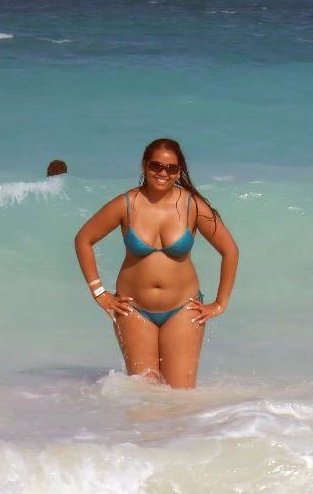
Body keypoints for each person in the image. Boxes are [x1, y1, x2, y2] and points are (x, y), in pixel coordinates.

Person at [74, 139, 239, 388]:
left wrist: (220, 303)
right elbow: (84, 239)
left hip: (183, 308)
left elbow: (230, 251)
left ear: (179, 171)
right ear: (144, 165)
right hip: (133, 310)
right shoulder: (126, 204)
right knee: (145, 397)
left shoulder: (193, 206)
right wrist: (99, 292)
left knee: (180, 398)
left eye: (172, 168)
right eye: (156, 165)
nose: (163, 173)